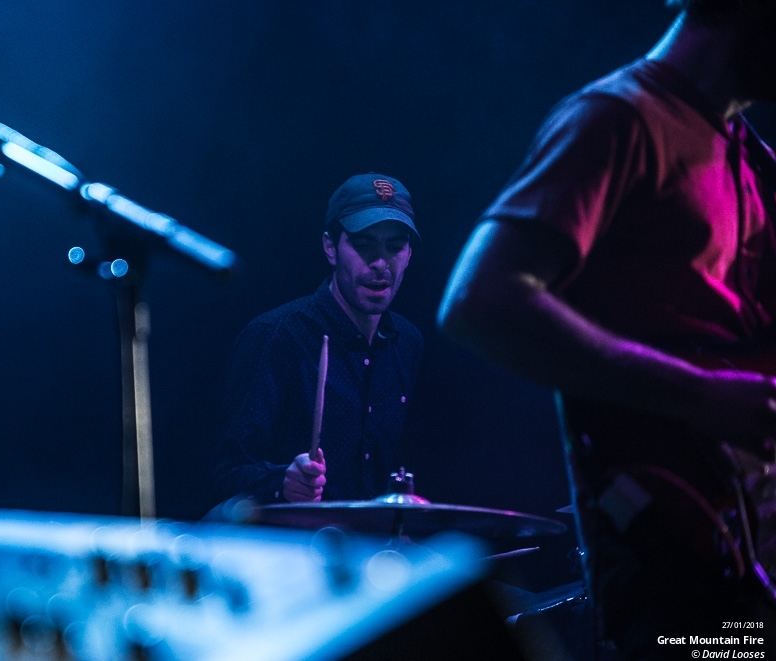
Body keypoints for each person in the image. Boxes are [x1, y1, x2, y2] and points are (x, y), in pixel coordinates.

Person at [438, 0, 776, 658]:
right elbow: (478, 299)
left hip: (750, 567)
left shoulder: (752, 160)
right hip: (674, 574)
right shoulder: (620, 118)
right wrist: (701, 395)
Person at [213, 173, 423, 506]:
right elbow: (228, 475)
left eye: (394, 246)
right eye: (364, 244)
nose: (381, 262)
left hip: (368, 554)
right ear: (330, 247)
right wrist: (283, 481)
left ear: (409, 254)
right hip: (289, 552)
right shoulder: (277, 337)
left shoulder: (407, 343)